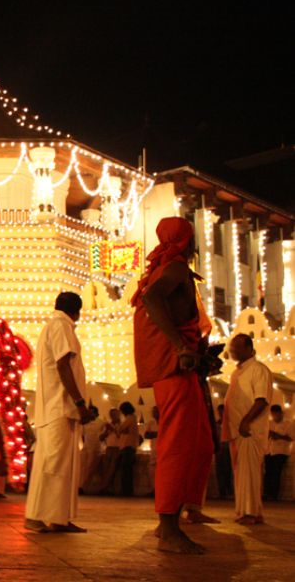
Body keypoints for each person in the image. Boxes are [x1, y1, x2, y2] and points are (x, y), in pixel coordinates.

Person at [133, 216, 213, 554]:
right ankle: (168, 527)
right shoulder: (176, 268)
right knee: (178, 443)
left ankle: (177, 514)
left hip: (180, 367)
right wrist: (181, 346)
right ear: (185, 241)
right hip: (174, 367)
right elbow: (152, 300)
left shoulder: (165, 267)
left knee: (199, 440)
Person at [25, 292, 93, 533]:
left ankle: (57, 517)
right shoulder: (62, 326)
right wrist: (79, 401)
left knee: (58, 464)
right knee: (54, 464)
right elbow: (63, 365)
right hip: (60, 406)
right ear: (76, 312)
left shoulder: (53, 326)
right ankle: (38, 515)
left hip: (56, 408)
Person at [222, 333, 271, 525]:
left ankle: (251, 513)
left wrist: (245, 421)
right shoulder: (238, 372)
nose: (233, 351)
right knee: (241, 472)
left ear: (249, 349)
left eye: (237, 348)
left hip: (249, 430)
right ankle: (247, 511)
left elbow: (261, 400)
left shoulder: (258, 370)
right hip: (237, 431)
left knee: (249, 472)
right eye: (232, 348)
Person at [266, 404, 293, 501]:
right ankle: (267, 493)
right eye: (273, 414)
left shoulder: (288, 423)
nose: (275, 416)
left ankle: (274, 495)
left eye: (276, 414)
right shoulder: (269, 423)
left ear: (281, 413)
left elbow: (291, 438)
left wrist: (279, 436)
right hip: (269, 450)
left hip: (281, 451)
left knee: (276, 472)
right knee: (268, 472)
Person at [117, 401, 140, 496]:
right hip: (129, 446)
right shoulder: (132, 419)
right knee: (127, 469)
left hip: (128, 446)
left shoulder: (130, 418)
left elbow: (120, 429)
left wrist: (121, 428)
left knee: (126, 470)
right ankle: (127, 490)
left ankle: (126, 491)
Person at [97, 409, 122, 494]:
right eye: (112, 414)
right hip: (109, 448)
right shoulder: (107, 425)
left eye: (115, 414)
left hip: (118, 448)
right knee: (106, 468)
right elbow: (101, 438)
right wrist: (107, 431)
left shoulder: (122, 425)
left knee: (112, 468)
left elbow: (121, 436)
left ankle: (104, 488)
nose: (113, 416)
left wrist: (114, 429)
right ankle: (106, 488)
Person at [79, 406, 102, 492]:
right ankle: (80, 486)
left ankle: (84, 487)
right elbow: (83, 435)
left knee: (90, 468)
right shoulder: (85, 423)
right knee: (83, 468)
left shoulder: (101, 422)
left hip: (95, 448)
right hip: (86, 447)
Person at [215, 405, 233, 499]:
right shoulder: (217, 423)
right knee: (219, 471)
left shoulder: (230, 423)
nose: (221, 413)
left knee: (227, 470)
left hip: (227, 448)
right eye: (219, 412)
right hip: (219, 449)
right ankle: (222, 492)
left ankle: (228, 491)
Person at [143, 406, 159, 493]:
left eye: (156, 411)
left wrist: (155, 434)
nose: (154, 413)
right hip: (154, 449)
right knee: (152, 469)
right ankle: (153, 489)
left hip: (164, 449)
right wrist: (158, 434)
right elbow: (146, 435)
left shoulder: (166, 421)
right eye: (154, 411)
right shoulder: (151, 423)